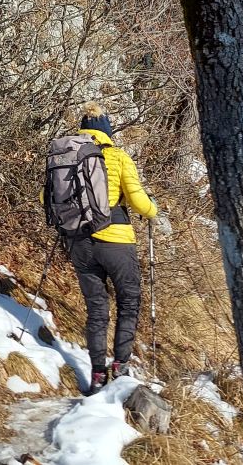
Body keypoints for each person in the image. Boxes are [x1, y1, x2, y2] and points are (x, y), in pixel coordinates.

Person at [69, 101, 167, 394]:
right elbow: (137, 200)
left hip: (80, 242)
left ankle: (97, 375)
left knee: (96, 308)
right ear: (108, 131)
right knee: (128, 301)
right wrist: (152, 210)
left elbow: (44, 197)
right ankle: (120, 366)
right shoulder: (118, 157)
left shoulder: (68, 155)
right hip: (116, 241)